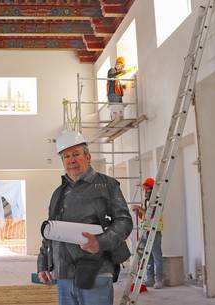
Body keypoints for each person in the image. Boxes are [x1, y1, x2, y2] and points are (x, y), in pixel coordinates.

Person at [37, 130, 133, 305]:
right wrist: (43, 263)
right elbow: (50, 231)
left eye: (76, 154)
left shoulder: (107, 185)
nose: (71, 160)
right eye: (66, 156)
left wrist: (100, 242)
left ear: (87, 157)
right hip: (64, 274)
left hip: (96, 272)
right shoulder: (58, 193)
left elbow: (124, 222)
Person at [132, 177, 164, 289]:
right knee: (148, 256)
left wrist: (139, 209)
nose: (145, 192)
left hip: (155, 231)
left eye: (147, 190)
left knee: (156, 256)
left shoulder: (157, 201)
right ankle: (150, 278)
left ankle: (159, 279)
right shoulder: (146, 201)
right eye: (145, 190)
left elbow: (152, 215)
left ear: (153, 189)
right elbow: (144, 217)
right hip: (146, 231)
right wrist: (138, 212)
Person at [106, 57, 126, 121]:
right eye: (117, 63)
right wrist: (120, 73)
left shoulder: (117, 74)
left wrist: (122, 86)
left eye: (120, 64)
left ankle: (119, 120)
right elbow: (111, 76)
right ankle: (115, 121)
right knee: (115, 108)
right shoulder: (112, 70)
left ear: (122, 66)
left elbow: (115, 83)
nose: (118, 64)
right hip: (113, 93)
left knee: (120, 108)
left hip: (117, 94)